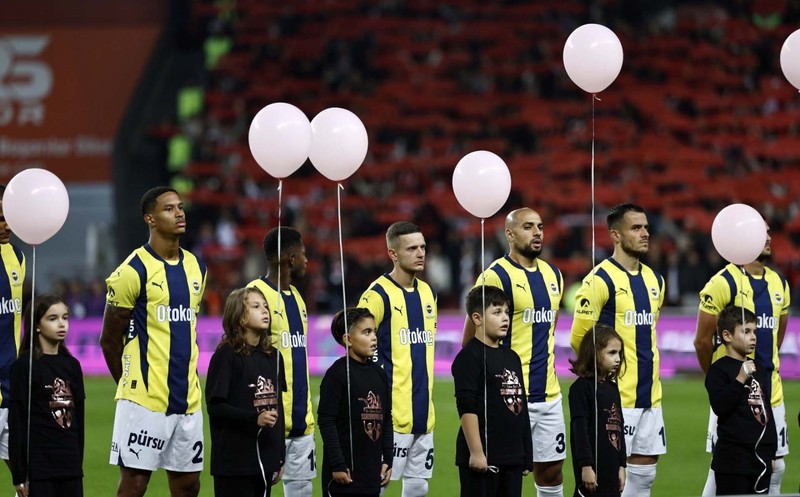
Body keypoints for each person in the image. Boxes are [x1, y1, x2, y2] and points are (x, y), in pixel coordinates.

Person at [99, 186, 207, 497]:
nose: (179, 213)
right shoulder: (132, 271)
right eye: (169, 208)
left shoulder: (197, 268)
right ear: (150, 219)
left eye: (181, 207)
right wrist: (130, 386)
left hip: (188, 399)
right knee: (135, 484)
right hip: (144, 400)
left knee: (188, 485)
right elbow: (109, 338)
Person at [461, 208, 565, 497]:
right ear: (509, 234)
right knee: (504, 475)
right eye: (528, 227)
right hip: (505, 397)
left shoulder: (554, 275)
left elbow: (550, 327)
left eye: (540, 226)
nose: (537, 233)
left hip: (548, 394)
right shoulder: (494, 276)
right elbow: (471, 336)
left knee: (552, 471)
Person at [570, 203, 665, 497]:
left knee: (644, 477)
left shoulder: (655, 280)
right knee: (613, 481)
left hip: (651, 396)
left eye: (646, 227)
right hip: (616, 399)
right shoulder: (600, 280)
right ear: (616, 235)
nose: (645, 233)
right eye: (636, 228)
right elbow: (580, 339)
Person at [694, 225, 789, 496]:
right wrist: (719, 379)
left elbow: (776, 338)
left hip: (772, 392)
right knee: (724, 467)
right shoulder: (723, 282)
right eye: (762, 233)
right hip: (735, 391)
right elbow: (702, 340)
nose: (770, 238)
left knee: (776, 466)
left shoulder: (780, 284)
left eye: (770, 232)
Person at [358, 221, 436, 497]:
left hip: (423, 414)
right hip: (389, 416)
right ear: (393, 253)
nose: (420, 253)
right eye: (412, 248)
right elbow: (356, 342)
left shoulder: (428, 293)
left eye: (423, 247)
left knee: (418, 486)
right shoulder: (377, 294)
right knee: (377, 484)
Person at [248, 227, 315, 497]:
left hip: (301, 419)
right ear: (290, 258)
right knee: (260, 488)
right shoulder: (255, 295)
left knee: (302, 491)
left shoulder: (298, 298)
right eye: (303, 254)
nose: (306, 260)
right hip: (269, 418)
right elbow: (244, 355)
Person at [453, 286, 532, 497]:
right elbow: (466, 407)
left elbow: (520, 405)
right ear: (477, 318)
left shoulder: (512, 357)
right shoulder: (469, 357)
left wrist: (526, 452)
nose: (505, 318)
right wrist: (477, 452)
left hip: (513, 458)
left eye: (507, 312)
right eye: (497, 312)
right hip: (485, 458)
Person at [206, 287, 286, 497]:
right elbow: (215, 406)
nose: (265, 311)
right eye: (256, 306)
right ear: (240, 317)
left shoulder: (274, 356)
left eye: (266, 306)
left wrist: (280, 455)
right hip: (234, 464)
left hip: (265, 460)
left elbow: (279, 406)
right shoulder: (226, 355)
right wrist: (254, 418)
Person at [9, 294, 84, 497]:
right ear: (36, 325)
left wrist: (78, 464)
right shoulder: (24, 366)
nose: (62, 324)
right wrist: (19, 475)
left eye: (65, 317)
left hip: (70, 467)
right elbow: (17, 423)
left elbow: (79, 421)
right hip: (40, 469)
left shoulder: (73, 366)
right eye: (53, 319)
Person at [318, 308, 393, 497]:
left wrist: (388, 459)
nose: (374, 337)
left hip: (372, 473)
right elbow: (326, 421)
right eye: (366, 332)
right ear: (348, 339)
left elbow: (387, 420)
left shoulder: (380, 374)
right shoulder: (337, 374)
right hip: (345, 474)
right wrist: (337, 464)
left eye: (374, 331)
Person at [705, 306, 776, 495]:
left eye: (754, 332)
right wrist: (740, 378)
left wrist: (772, 450)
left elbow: (765, 410)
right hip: (733, 462)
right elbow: (721, 406)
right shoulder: (718, 371)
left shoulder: (758, 369)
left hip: (760, 458)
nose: (753, 337)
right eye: (746, 331)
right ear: (727, 336)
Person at [568, 325, 627, 497]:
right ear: (594, 352)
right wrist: (586, 466)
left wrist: (621, 466)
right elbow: (579, 431)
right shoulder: (581, 389)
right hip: (592, 472)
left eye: (619, 353)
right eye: (612, 353)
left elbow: (619, 429)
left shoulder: (612, 389)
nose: (618, 359)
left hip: (612, 471)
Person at [0, 183, 26, 485]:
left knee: (25, 477)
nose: (7, 224)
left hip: (12, 385)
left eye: (10, 217)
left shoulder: (16, 256)